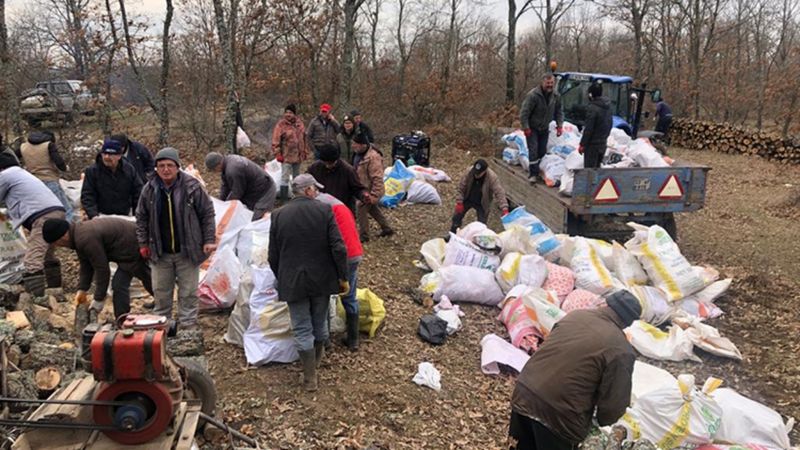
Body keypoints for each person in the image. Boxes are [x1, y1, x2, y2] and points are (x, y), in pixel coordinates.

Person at [509, 290, 641, 449]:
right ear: (629, 322)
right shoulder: (621, 350)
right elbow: (614, 405)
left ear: (606, 303)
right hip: (559, 416)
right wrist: (601, 420)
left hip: (524, 392)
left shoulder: (576, 316)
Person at [268, 174, 348, 391]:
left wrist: (281, 276)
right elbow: (338, 247)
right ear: (308, 190)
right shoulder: (323, 211)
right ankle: (317, 362)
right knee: (320, 323)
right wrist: (343, 276)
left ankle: (309, 377)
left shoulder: (278, 215)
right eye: (315, 189)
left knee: (302, 328)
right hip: (322, 279)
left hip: (292, 280)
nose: (317, 193)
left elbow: (272, 256)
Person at [136, 148, 216, 329]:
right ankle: (161, 326)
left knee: (188, 292)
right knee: (161, 292)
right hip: (160, 251)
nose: (165, 170)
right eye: (161, 166)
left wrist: (208, 239)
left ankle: (188, 326)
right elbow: (141, 217)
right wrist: (143, 242)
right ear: (156, 168)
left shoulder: (192, 187)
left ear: (177, 167)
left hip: (187, 251)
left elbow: (207, 214)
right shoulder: (149, 189)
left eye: (170, 165)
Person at [42, 217, 154, 321]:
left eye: (56, 243)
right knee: (144, 274)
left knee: (119, 285)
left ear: (62, 237)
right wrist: (82, 289)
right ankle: (161, 298)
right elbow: (86, 265)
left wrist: (99, 299)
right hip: (127, 243)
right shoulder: (78, 234)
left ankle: (122, 319)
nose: (59, 246)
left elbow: (102, 269)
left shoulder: (85, 238)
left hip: (131, 245)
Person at [0, 153, 66, 296]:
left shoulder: (6, 175)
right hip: (57, 211)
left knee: (32, 260)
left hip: (42, 216)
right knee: (47, 255)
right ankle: (56, 293)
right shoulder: (22, 174)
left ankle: (36, 300)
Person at [314, 192, 363, 350]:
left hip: (341, 254)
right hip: (355, 252)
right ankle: (353, 339)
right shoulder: (339, 204)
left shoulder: (321, 208)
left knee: (324, 294)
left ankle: (325, 339)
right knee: (350, 295)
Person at [16, 130, 75, 222]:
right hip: (49, 180)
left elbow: (13, 158)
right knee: (66, 210)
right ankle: (67, 231)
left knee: (42, 212)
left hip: (32, 183)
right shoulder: (49, 145)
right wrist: (64, 168)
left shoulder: (23, 146)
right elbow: (59, 162)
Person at [81, 138, 143, 219]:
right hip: (101, 216)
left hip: (124, 216)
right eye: (104, 154)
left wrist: (137, 216)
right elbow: (87, 196)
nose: (107, 157)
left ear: (119, 156)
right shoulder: (92, 171)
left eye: (111, 154)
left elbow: (138, 193)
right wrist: (94, 215)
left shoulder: (129, 170)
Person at [204, 152, 277, 220]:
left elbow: (237, 192)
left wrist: (227, 207)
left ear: (218, 165)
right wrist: (221, 203)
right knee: (247, 214)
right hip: (253, 190)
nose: (215, 172)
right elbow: (225, 187)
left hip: (265, 190)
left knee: (258, 219)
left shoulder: (233, 170)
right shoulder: (228, 162)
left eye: (214, 170)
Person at [520, 73, 563, 183]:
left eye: (552, 83)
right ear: (542, 82)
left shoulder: (556, 96)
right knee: (533, 150)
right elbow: (524, 113)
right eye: (547, 83)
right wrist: (526, 127)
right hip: (532, 127)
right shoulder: (533, 95)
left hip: (544, 128)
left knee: (542, 151)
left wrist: (559, 126)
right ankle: (533, 174)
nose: (550, 85)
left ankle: (540, 171)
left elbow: (559, 112)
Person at [352, 133, 393, 241]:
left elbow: (377, 178)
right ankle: (387, 228)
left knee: (361, 208)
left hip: (371, 190)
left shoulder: (373, 158)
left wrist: (374, 195)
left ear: (363, 145)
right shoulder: (357, 154)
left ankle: (364, 236)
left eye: (356, 144)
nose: (353, 146)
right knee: (372, 209)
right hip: (363, 188)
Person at [306, 144, 367, 216]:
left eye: (330, 163)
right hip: (321, 209)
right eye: (325, 163)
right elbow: (306, 181)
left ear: (336, 159)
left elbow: (357, 188)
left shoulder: (347, 170)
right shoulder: (315, 167)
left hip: (342, 208)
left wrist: (363, 195)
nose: (328, 165)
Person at [450, 159, 508, 234]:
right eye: (475, 173)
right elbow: (461, 188)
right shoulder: (469, 172)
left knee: (481, 226)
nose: (476, 175)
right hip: (467, 198)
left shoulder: (492, 177)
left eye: (479, 174)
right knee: (456, 217)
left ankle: (478, 240)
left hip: (482, 203)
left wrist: (504, 208)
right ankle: (452, 233)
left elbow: (499, 193)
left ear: (485, 171)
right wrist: (459, 202)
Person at [272, 104, 308, 201]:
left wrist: (305, 151)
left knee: (297, 177)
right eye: (286, 112)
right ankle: (284, 200)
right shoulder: (281, 125)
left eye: (290, 113)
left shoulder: (299, 124)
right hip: (286, 155)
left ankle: (297, 198)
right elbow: (275, 140)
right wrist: (278, 154)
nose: (288, 114)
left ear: (294, 114)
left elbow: (304, 138)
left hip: (298, 155)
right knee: (285, 177)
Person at [578, 83, 613, 169]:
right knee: (597, 169)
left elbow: (589, 129)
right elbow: (610, 124)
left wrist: (582, 144)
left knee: (589, 171)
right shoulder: (608, 107)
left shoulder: (593, 108)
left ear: (590, 94)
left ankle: (590, 183)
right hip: (602, 144)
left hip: (592, 146)